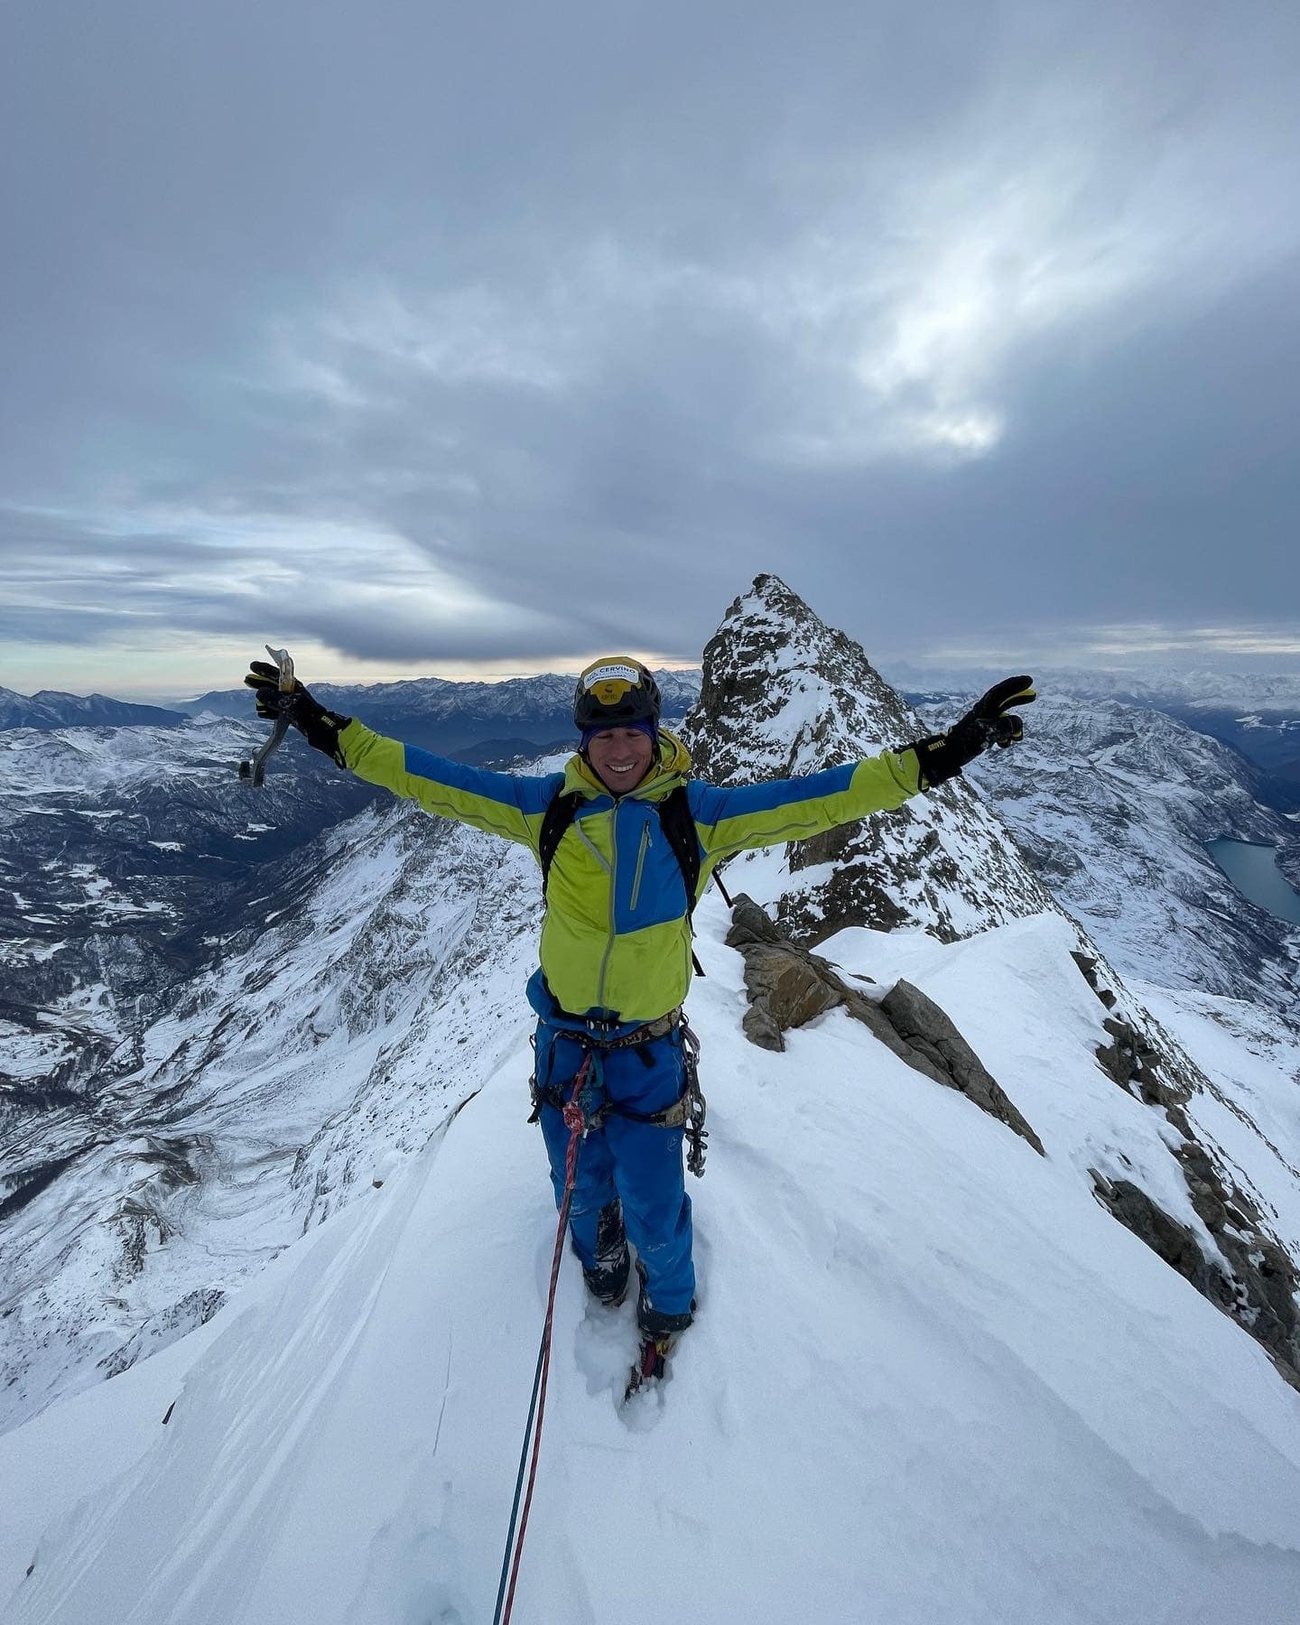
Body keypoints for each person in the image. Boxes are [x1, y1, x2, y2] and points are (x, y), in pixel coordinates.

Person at [245, 654, 1034, 1380]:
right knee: (577, 1188)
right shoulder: (544, 809)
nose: (620, 750)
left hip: (646, 1051)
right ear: (584, 743)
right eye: (604, 736)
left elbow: (823, 795)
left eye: (633, 733)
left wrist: (941, 755)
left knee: (657, 1197)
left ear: (656, 736)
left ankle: (669, 1301)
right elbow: (423, 775)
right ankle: (602, 1261)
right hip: (562, 1046)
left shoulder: (699, 815)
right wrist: (316, 722)